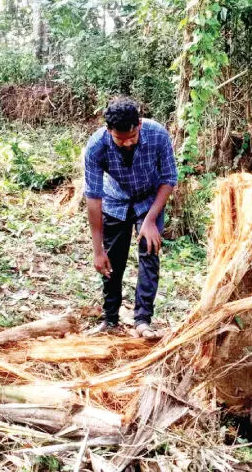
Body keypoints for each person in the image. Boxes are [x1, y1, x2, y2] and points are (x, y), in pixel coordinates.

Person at [83, 98, 177, 338]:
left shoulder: (158, 135)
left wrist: (149, 221)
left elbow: (168, 179)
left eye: (132, 137)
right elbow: (93, 198)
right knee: (112, 260)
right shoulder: (96, 146)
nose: (127, 143)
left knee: (150, 251)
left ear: (140, 124)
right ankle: (110, 319)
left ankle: (143, 320)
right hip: (115, 200)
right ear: (108, 131)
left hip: (149, 199)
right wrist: (97, 250)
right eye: (119, 139)